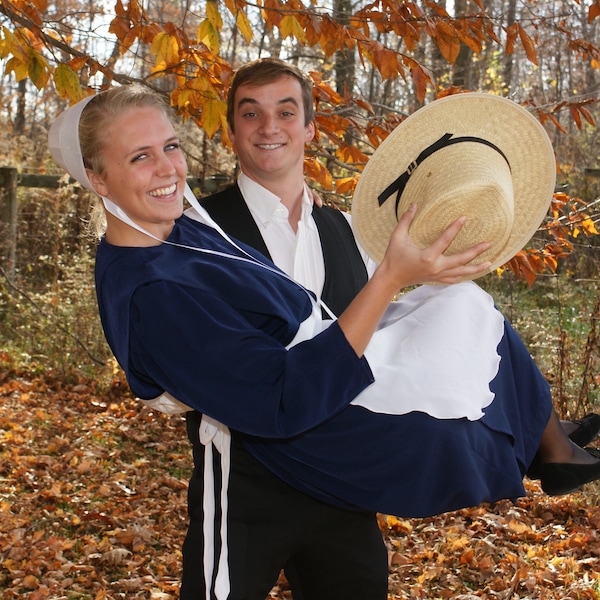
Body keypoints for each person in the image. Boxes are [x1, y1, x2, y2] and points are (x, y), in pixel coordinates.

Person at [48, 85, 600, 600]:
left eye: (169, 146)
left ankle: (547, 442)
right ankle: (544, 445)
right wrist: (389, 277)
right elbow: (282, 399)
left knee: (460, 304)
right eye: (139, 157)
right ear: (98, 179)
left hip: (329, 457)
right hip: (286, 452)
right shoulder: (151, 293)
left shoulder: (183, 229)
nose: (168, 168)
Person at [191, 58, 385, 600]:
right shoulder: (194, 233)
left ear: (310, 128)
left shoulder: (347, 230)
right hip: (243, 485)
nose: (269, 127)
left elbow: (381, 341)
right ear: (231, 130)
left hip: (343, 485)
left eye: (285, 111)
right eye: (250, 113)